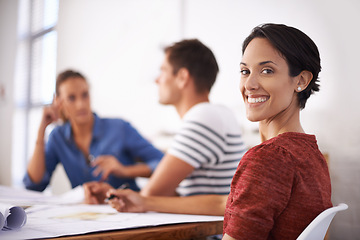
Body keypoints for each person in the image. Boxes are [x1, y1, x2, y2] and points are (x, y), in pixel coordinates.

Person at [104, 24, 333, 239]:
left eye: (266, 71)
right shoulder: (311, 154)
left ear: (301, 80)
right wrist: (145, 202)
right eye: (245, 71)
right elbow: (230, 203)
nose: (249, 84)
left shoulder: (268, 159)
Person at [83, 39, 247, 203]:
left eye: (163, 71)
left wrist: (118, 195)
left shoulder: (203, 117)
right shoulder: (218, 113)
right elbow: (174, 196)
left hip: (210, 227)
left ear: (182, 77)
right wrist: (112, 194)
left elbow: (150, 196)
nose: (157, 80)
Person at [23, 70, 164, 192]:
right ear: (58, 101)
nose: (81, 104)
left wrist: (124, 170)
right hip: (86, 217)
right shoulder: (57, 137)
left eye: (85, 95)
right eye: (71, 98)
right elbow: (34, 185)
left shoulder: (119, 128)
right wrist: (42, 130)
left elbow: (162, 163)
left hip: (126, 212)